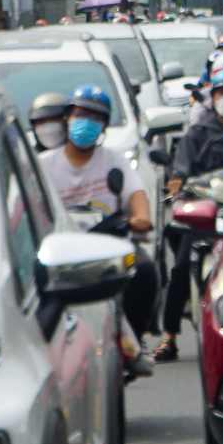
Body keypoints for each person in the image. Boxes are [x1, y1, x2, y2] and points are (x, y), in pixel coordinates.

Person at [36, 84, 159, 363]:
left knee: (145, 271)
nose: (86, 123)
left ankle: (134, 344)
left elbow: (136, 194)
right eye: (80, 115)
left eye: (95, 118)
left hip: (107, 249)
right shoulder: (43, 165)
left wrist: (141, 218)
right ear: (67, 117)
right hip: (61, 251)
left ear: (104, 125)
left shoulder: (114, 160)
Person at [158, 65, 223, 360]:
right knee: (179, 268)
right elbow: (180, 171)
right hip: (204, 211)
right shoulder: (197, 134)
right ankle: (169, 337)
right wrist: (177, 184)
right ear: (212, 98)